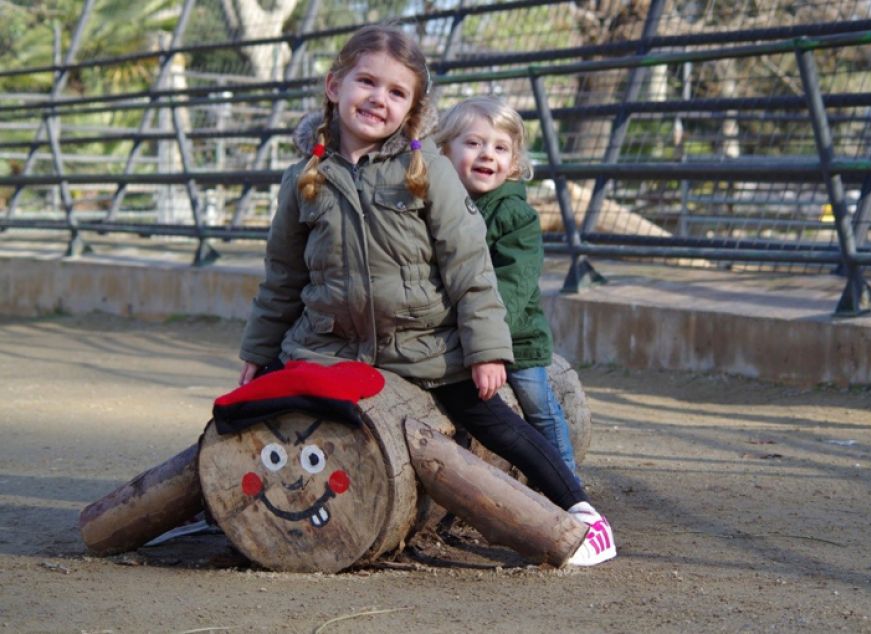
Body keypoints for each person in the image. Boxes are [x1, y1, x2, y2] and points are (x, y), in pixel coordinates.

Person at [236, 24, 615, 566]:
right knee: (259, 407)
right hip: (328, 346)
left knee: (494, 420)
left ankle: (580, 511)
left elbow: (472, 266)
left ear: (412, 110)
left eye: (397, 93)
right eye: (367, 82)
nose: (378, 99)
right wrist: (257, 351)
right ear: (333, 85)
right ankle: (237, 506)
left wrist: (485, 350)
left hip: (425, 346)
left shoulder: (428, 171)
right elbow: (281, 276)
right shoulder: (304, 178)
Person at [432, 96, 579, 480]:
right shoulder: (435, 205)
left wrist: (488, 344)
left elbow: (512, 286)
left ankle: (567, 482)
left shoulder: (515, 216)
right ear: (444, 151)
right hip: (453, 329)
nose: (487, 155)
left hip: (513, 336)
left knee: (538, 406)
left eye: (500, 148)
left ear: (513, 164)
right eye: (473, 143)